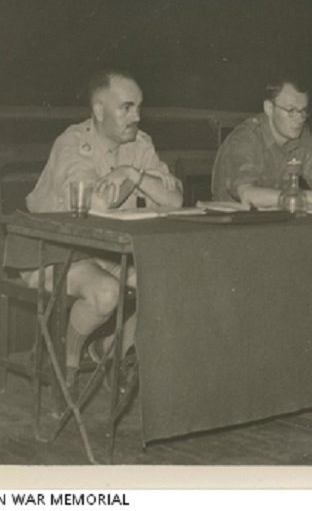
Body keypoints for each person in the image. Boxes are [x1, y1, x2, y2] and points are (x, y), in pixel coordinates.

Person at [25, 68, 183, 390]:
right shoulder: (73, 143)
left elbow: (175, 200)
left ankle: (109, 349)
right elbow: (95, 204)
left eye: (139, 107)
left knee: (168, 285)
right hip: (53, 251)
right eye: (126, 107)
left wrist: (130, 173)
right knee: (106, 293)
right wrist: (140, 179)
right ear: (99, 110)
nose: (136, 116)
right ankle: (67, 360)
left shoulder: (140, 144)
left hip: (106, 250)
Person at [211, 76, 312, 209]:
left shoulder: (301, 136)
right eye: (291, 110)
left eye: (303, 111)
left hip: (279, 218)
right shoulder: (246, 138)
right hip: (236, 222)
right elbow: (248, 195)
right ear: (269, 108)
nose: (299, 119)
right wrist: (311, 197)